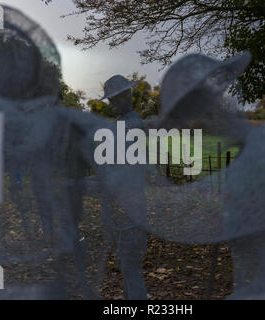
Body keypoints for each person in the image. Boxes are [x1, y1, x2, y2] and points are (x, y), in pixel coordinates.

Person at [98, 75, 148, 299]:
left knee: (131, 270)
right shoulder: (120, 125)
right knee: (127, 268)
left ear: (126, 96)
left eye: (114, 99)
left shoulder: (131, 125)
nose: (111, 104)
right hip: (122, 209)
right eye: (110, 100)